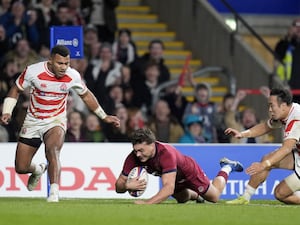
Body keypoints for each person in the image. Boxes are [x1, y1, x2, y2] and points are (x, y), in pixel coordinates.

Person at [0, 45, 120, 202]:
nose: (64, 67)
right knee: (21, 167)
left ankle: (54, 192)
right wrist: (7, 111)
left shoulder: (73, 76)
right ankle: (38, 169)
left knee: (53, 150)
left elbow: (86, 96)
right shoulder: (33, 71)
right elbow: (16, 89)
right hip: (34, 120)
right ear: (50, 61)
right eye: (60, 63)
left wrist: (104, 116)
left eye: (66, 63)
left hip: (56, 120)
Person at [115, 128, 244, 204]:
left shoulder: (166, 153)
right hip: (174, 177)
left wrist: (147, 203)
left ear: (151, 144)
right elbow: (118, 186)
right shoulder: (133, 157)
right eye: (135, 150)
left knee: (214, 197)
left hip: (189, 173)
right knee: (182, 199)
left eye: (141, 150)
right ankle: (197, 195)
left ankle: (226, 167)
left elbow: (169, 188)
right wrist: (126, 186)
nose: (137, 154)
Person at [225, 88, 300, 205]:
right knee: (267, 159)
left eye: (272, 106)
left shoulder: (296, 118)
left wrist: (263, 165)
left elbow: (286, 148)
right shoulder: (287, 112)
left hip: (295, 153)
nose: (270, 110)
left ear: (283, 105)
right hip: (298, 155)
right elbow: (265, 126)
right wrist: (242, 134)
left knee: (279, 193)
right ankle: (245, 198)